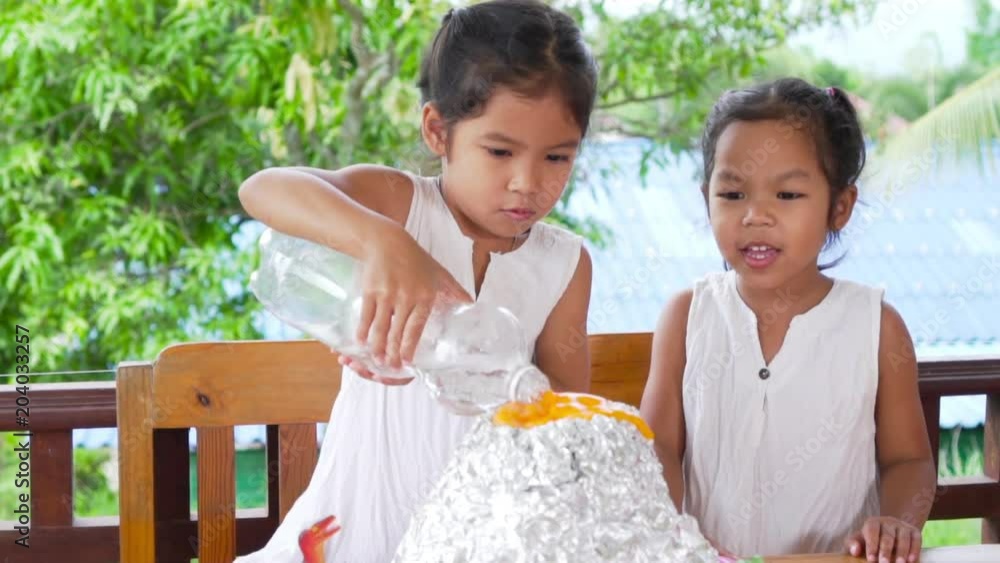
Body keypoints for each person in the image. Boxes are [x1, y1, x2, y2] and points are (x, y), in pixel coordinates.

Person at [234, 1, 598, 560]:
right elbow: (263, 189)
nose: (527, 183)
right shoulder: (402, 208)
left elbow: (563, 420)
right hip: (354, 528)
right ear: (438, 130)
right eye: (500, 151)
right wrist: (383, 242)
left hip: (479, 542)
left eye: (557, 157)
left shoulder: (565, 264)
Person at [639, 78, 936, 563]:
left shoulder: (876, 327)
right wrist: (669, 534)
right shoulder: (685, 317)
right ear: (706, 199)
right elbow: (658, 451)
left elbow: (910, 460)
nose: (756, 215)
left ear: (839, 207)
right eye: (733, 195)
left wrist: (898, 523)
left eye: (788, 195)